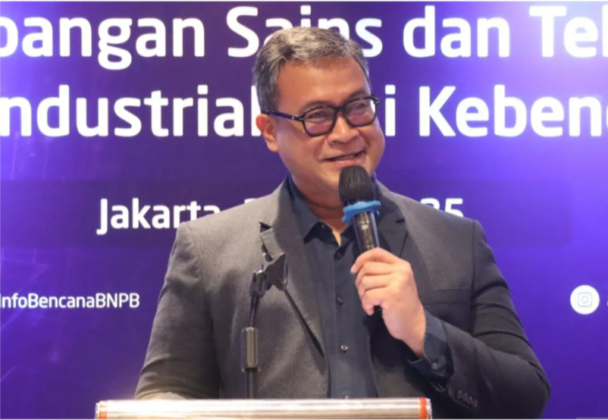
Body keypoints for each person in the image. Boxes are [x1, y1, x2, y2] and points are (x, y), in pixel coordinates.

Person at [136, 27, 550, 418]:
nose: (346, 132)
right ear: (270, 130)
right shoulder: (209, 250)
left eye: (358, 107)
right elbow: (164, 396)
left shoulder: (457, 240)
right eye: (317, 115)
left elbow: (525, 397)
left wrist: (424, 330)